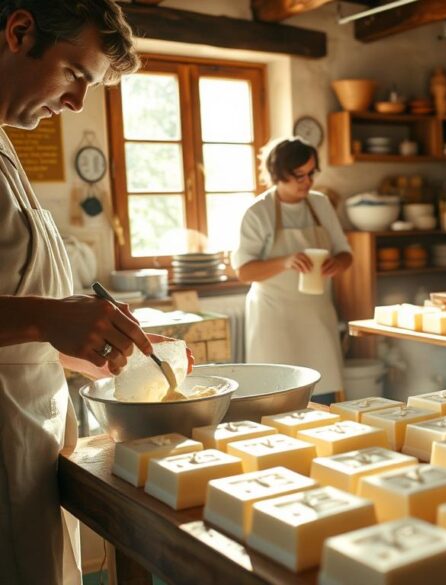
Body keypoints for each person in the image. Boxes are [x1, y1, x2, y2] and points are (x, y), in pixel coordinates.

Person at [0, 3, 194, 584]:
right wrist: (44, 320)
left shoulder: (6, 150)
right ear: (18, 31)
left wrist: (79, 346)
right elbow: (29, 317)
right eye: (75, 75)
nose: (77, 103)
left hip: (29, 451)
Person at [234, 138, 352, 396]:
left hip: (317, 315)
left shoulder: (320, 204)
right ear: (278, 174)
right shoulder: (258, 212)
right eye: (298, 175)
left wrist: (337, 263)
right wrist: (285, 261)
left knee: (323, 392)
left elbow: (346, 253)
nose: (307, 182)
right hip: (274, 317)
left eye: (311, 173)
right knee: (276, 393)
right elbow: (244, 271)